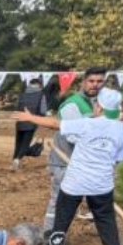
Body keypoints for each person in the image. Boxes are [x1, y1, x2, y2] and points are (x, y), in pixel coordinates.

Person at [13, 102, 123, 245]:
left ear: (100, 108)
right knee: (105, 217)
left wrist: (31, 117)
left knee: (63, 216)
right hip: (101, 183)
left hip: (75, 181)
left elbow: (54, 124)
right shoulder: (121, 130)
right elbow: (119, 158)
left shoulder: (87, 123)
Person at [43, 68, 106, 236]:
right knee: (59, 202)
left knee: (79, 203)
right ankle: (50, 235)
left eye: (100, 81)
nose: (95, 85)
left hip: (83, 164)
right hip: (65, 162)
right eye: (92, 81)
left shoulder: (97, 105)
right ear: (84, 82)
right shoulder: (73, 104)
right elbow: (73, 136)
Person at [12, 78, 46, 170]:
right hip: (31, 121)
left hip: (20, 120)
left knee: (18, 142)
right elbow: (43, 110)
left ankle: (14, 159)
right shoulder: (41, 95)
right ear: (39, 85)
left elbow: (17, 106)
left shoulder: (22, 94)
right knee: (25, 143)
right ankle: (18, 159)